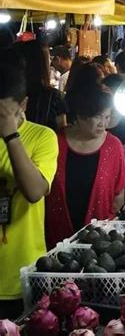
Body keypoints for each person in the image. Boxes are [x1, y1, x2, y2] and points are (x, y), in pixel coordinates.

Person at [0, 58, 58, 319]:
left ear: (22, 105)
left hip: (22, 275)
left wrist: (10, 134)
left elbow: (35, 192)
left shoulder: (42, 137)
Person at [45, 85, 125, 248]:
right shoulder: (54, 141)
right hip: (55, 233)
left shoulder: (113, 145)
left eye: (107, 117)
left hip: (98, 240)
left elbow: (119, 196)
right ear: (81, 116)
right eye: (98, 117)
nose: (103, 123)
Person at [11, 40, 68, 131]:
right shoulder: (54, 97)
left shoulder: (10, 93)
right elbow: (62, 131)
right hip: (46, 143)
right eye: (49, 58)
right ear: (43, 63)